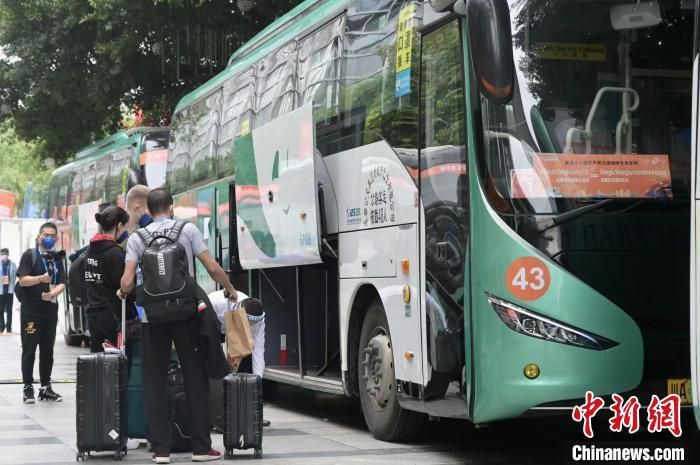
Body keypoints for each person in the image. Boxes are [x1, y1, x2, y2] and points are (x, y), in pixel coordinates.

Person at [118, 188, 238, 464]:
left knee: (154, 381)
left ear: (148, 209)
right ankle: (200, 448)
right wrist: (230, 288)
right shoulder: (188, 230)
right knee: (195, 378)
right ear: (171, 207)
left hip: (152, 320)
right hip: (186, 316)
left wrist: (123, 292)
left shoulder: (137, 238)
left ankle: (161, 450)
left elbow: (126, 283)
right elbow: (212, 267)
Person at [84, 206, 141, 450]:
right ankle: (120, 434)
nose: (125, 231)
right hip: (115, 322)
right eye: (125, 227)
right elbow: (128, 287)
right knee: (119, 376)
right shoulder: (115, 254)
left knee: (99, 375)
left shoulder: (89, 251)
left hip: (94, 319)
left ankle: (100, 430)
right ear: (118, 226)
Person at [17, 222, 66, 403]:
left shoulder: (57, 258)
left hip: (50, 312)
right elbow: (22, 281)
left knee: (48, 351)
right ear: (39, 236)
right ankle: (28, 387)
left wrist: (53, 293)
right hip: (31, 312)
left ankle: (46, 388)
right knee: (29, 350)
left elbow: (62, 282)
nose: (49, 238)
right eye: (46, 234)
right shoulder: (30, 255)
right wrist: (41, 279)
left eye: (53, 235)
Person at [207, 290, 271, 428]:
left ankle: (248, 413)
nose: (252, 327)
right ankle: (215, 415)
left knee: (246, 369)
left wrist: (256, 382)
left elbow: (259, 351)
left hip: (237, 335)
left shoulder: (258, 321)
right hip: (213, 327)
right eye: (249, 323)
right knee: (215, 369)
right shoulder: (216, 302)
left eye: (253, 324)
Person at [0, 248, 17, 334]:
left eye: (6, 253)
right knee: (0, 310)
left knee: (9, 310)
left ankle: (9, 328)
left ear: (8, 254)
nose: (5, 255)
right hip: (1, 291)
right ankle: (1, 327)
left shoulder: (13, 264)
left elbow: (16, 275)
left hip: (9, 290)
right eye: (3, 254)